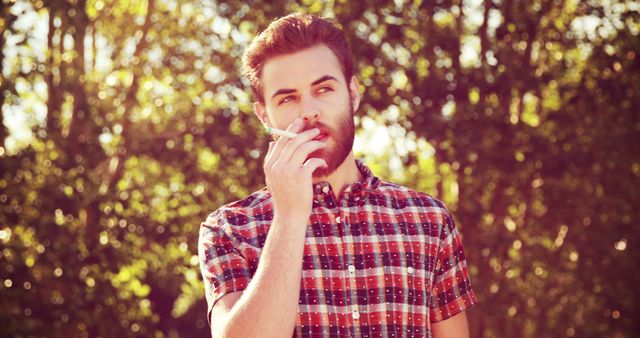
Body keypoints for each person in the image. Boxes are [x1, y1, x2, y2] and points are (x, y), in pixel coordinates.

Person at [198, 13, 477, 338]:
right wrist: (289, 216)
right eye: (288, 98)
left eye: (324, 89)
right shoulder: (230, 229)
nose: (308, 111)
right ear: (264, 116)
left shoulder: (428, 220)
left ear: (353, 93)